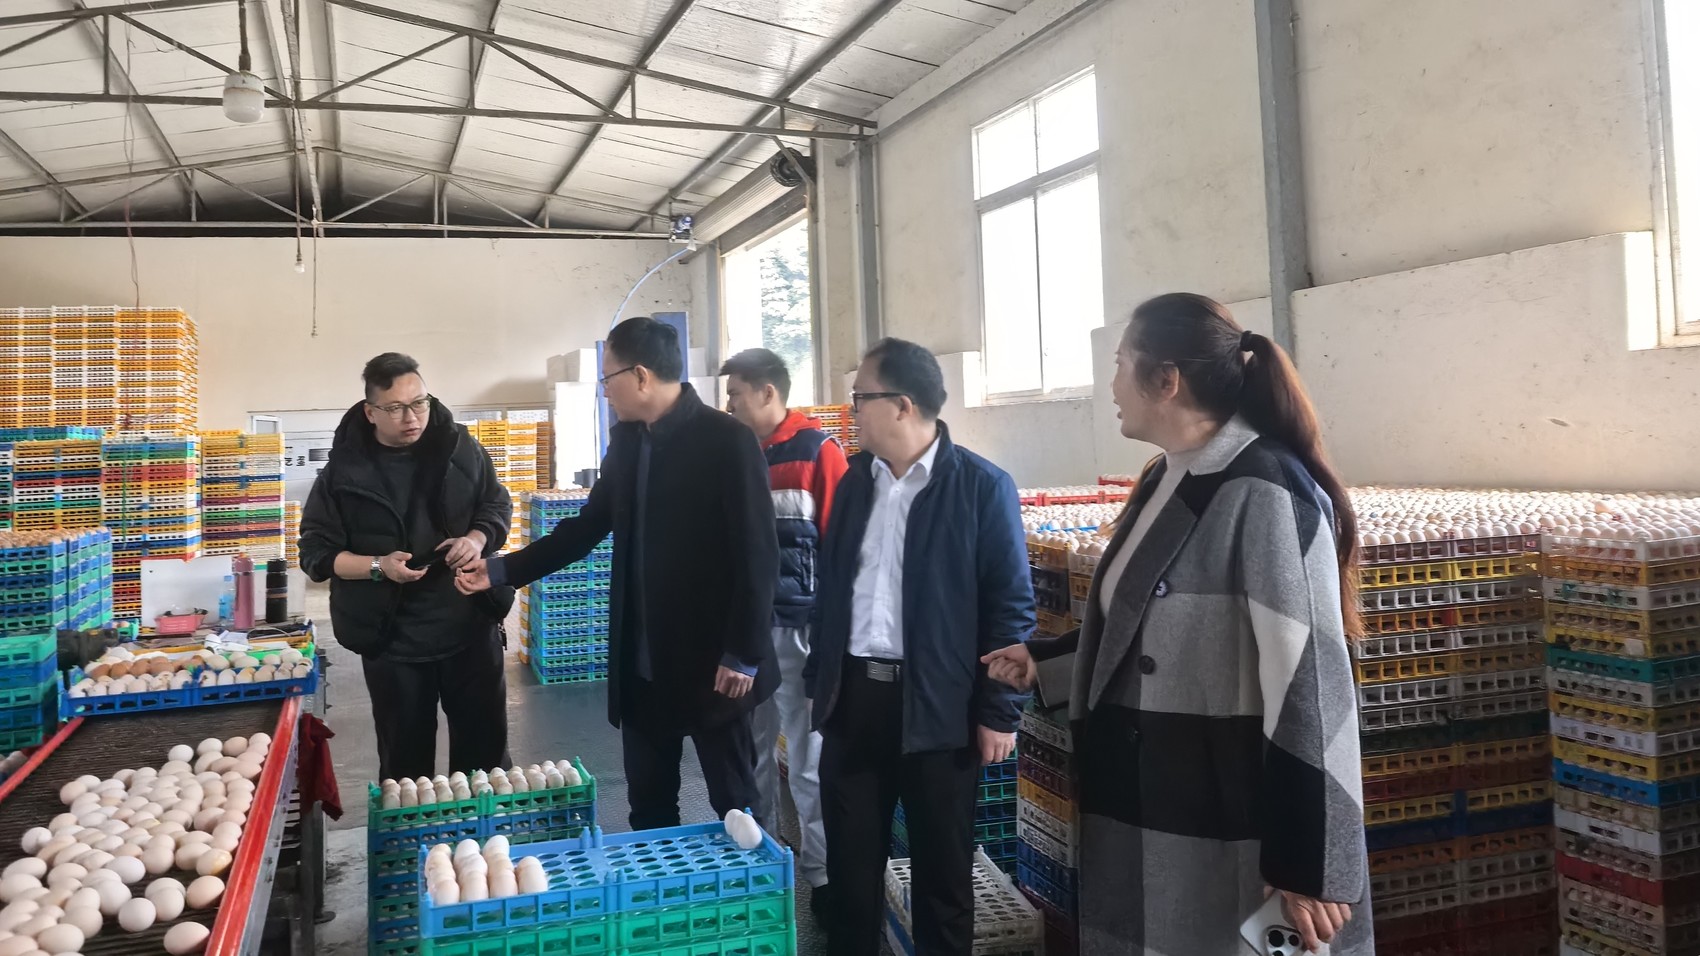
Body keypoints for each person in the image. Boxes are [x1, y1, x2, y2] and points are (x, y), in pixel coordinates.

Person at [982, 293, 1372, 956]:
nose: (1111, 385)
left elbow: (1310, 678)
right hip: (1150, 796)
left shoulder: (1263, 488)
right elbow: (1143, 619)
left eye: (1120, 364)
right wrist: (1048, 663)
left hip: (1229, 821)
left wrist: (1312, 862)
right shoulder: (1166, 477)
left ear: (1167, 380)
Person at [455, 317, 780, 831]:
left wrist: (743, 652)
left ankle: (750, 884)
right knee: (648, 809)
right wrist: (501, 570)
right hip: (642, 665)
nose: (605, 391)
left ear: (642, 376)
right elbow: (586, 527)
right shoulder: (628, 443)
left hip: (714, 667)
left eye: (609, 379)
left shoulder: (726, 441)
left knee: (737, 810)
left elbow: (758, 553)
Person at [805, 338, 1034, 956]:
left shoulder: (981, 487)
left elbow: (1010, 608)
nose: (853, 410)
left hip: (940, 710)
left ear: (902, 405)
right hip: (854, 703)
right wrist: (820, 681)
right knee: (851, 878)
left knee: (942, 879)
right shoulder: (856, 482)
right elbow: (833, 588)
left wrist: (999, 711)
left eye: (861, 397)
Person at [298, 352, 515, 782]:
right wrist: (377, 566)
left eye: (419, 403)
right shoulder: (344, 472)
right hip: (392, 641)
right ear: (371, 412)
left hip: (470, 627)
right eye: (395, 408)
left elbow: (496, 505)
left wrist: (476, 539)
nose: (411, 417)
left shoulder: (460, 448)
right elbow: (316, 554)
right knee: (406, 771)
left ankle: (482, 826)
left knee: (486, 763)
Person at [721, 347, 849, 920]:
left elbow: (842, 546)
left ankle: (823, 875)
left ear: (767, 392)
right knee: (751, 752)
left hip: (802, 631)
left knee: (807, 756)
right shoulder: (736, 454)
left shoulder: (819, 452)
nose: (729, 405)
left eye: (736, 394)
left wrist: (830, 632)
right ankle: (762, 864)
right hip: (748, 634)